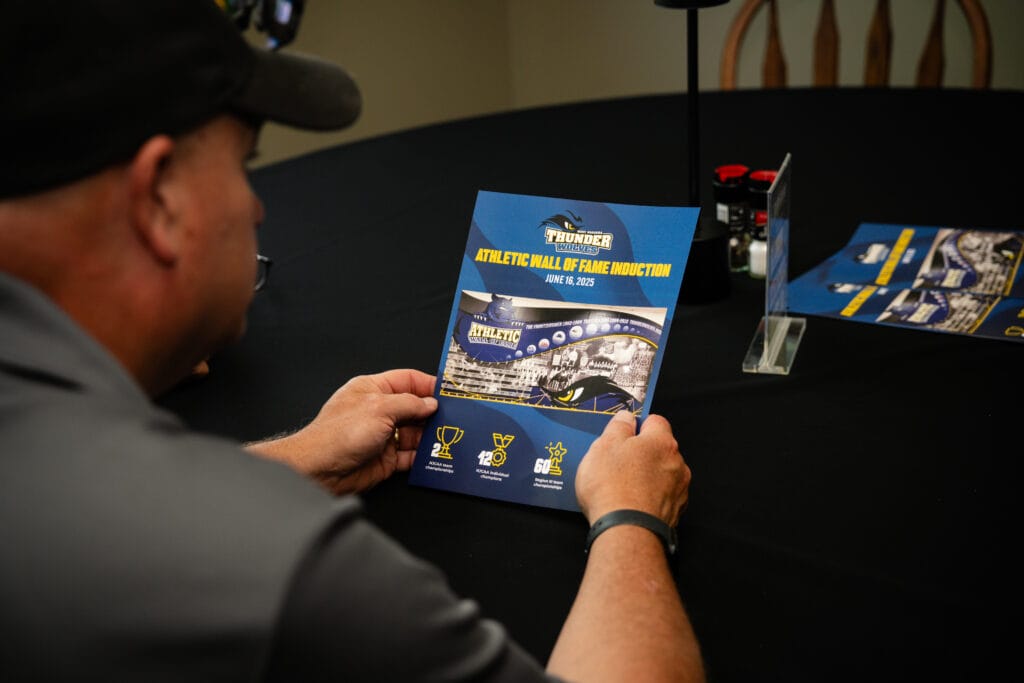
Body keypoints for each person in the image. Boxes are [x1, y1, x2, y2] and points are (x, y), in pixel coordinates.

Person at [0, 2, 703, 681]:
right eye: (245, 164)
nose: (256, 205)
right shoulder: (290, 572)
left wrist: (296, 458)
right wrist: (632, 517)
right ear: (158, 199)